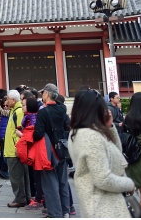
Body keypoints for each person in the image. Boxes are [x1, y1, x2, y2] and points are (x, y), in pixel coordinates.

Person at [67, 89, 135, 218]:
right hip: (104, 206)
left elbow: (116, 153)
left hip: (97, 203)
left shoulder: (79, 132)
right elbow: (103, 178)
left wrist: (109, 126)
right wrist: (129, 184)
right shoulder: (91, 136)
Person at [33, 84, 71, 219]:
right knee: (63, 182)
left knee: (50, 183)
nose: (42, 95)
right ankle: (65, 211)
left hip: (48, 151)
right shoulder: (62, 109)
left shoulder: (43, 112)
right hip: (62, 149)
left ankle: (54, 213)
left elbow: (38, 134)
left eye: (43, 93)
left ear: (47, 94)